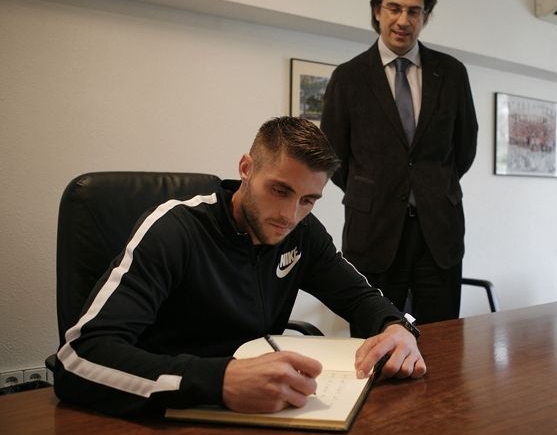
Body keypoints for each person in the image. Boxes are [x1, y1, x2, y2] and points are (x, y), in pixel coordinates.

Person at [54, 116, 425, 417]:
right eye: (280, 190)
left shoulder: (303, 233)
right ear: (247, 168)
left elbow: (359, 296)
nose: (290, 215)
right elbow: (79, 358)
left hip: (259, 411)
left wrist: (397, 326)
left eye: (308, 200)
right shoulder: (174, 230)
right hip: (163, 415)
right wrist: (219, 381)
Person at [320, 0, 478, 325]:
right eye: (394, 8)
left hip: (439, 231)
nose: (403, 20)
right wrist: (372, 189)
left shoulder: (452, 73)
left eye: (414, 11)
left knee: (442, 339)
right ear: (377, 11)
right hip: (372, 230)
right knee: (373, 337)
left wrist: (432, 185)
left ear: (425, 16)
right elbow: (333, 156)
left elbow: (464, 146)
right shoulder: (348, 77)